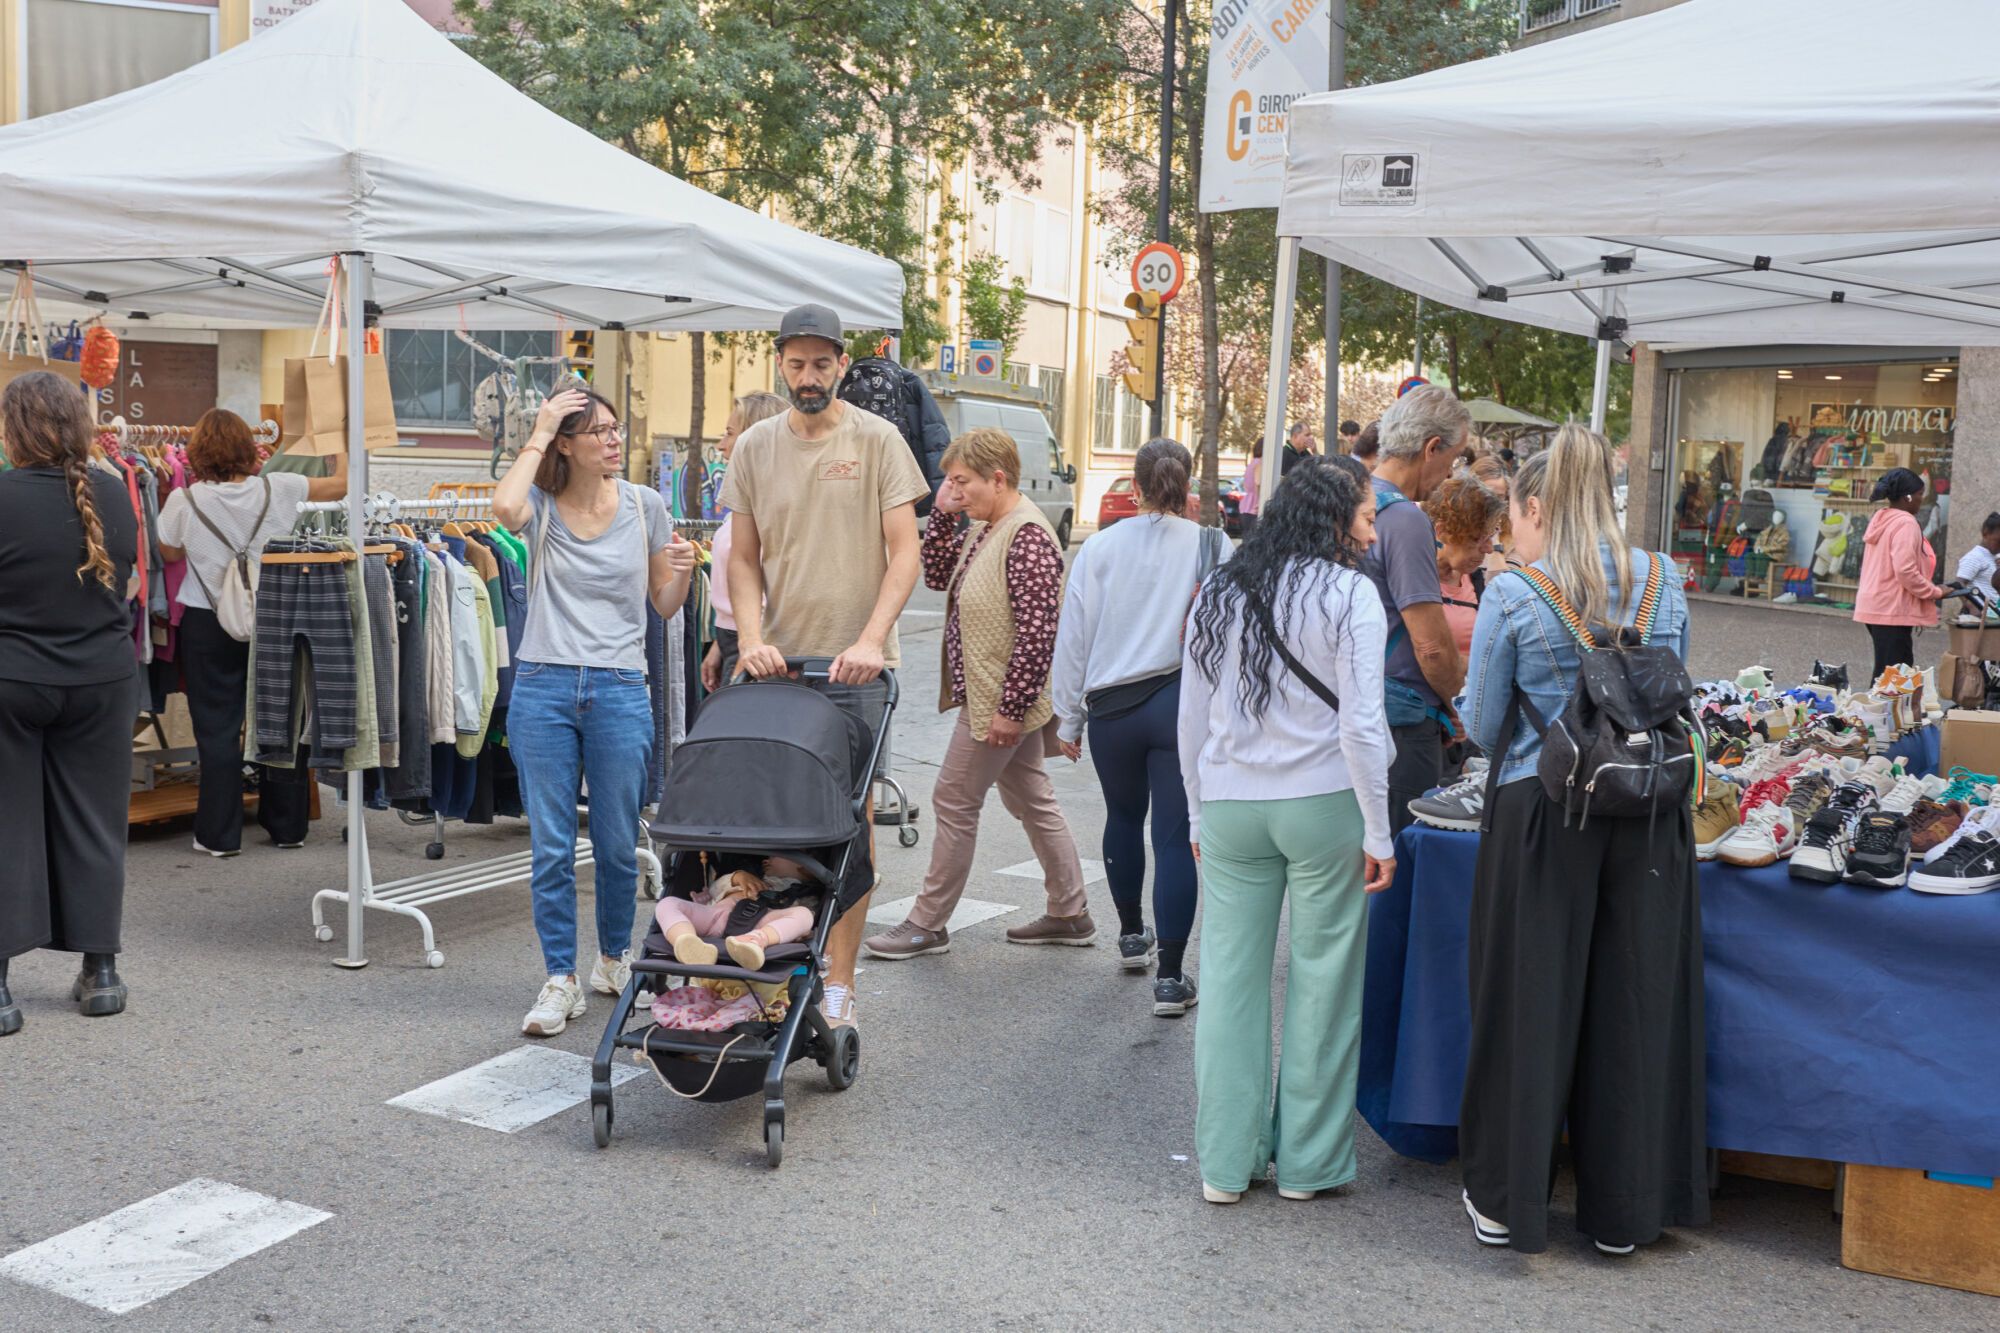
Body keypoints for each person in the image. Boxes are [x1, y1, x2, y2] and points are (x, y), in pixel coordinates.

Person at [1457, 423, 1704, 1256]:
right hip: (1650, 812)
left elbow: (1483, 723)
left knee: (1528, 1001)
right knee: (1633, 1003)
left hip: (1546, 806)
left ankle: (1507, 1200)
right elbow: (1673, 695)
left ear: (1538, 504)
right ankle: (1624, 1211)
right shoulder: (1665, 581)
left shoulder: (1517, 593)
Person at [1178, 457, 1394, 1203]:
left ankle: (1225, 1164)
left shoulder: (1221, 588)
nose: (1373, 533)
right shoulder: (1351, 594)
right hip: (1324, 802)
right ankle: (1308, 1163)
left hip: (1231, 802)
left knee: (1229, 982)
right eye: (1366, 517)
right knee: (1325, 980)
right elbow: (1361, 726)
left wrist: (1196, 809)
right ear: (1334, 519)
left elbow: (1192, 716)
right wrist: (1379, 830)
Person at [724, 303, 928, 1030]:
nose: (808, 377)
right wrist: (751, 638)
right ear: (780, 365)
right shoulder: (755, 447)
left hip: (857, 671)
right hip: (780, 667)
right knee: (777, 821)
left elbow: (904, 552)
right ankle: (779, 959)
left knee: (851, 821)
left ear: (842, 364)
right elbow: (742, 558)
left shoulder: (877, 440)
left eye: (820, 364)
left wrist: (871, 639)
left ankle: (841, 979)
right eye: (796, 364)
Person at [494, 383, 697, 1037]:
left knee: (616, 844)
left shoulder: (644, 504)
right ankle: (560, 978)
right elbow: (502, 508)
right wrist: (540, 428)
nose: (614, 440)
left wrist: (683, 569)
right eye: (598, 431)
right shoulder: (540, 503)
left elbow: (664, 602)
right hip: (544, 684)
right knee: (552, 846)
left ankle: (613, 959)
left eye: (616, 429)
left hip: (619, 686)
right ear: (566, 445)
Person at [863, 427, 1091, 960]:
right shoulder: (989, 526)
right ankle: (1070, 912)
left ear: (998, 478)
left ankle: (927, 923)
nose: (955, 490)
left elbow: (1039, 633)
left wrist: (1011, 709)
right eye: (950, 481)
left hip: (999, 702)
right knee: (1031, 797)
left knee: (953, 799)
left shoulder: (1027, 537)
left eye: (962, 481)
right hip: (994, 696)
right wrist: (944, 514)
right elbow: (938, 575)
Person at [1049, 437, 1230, 1014]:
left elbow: (1073, 638)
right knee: (1174, 836)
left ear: (1135, 486)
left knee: (1122, 818)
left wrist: (1068, 717)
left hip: (1113, 709)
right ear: (1188, 483)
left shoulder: (1100, 548)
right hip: (1181, 705)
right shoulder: (1213, 544)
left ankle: (1131, 936)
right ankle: (1171, 978)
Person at [0, 371, 142, 1033]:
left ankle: (0, 988)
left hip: (12, 676)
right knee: (95, 823)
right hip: (102, 680)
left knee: (6, 825)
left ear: (15, 429)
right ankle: (101, 971)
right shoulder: (113, 494)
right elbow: (128, 584)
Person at [156, 409, 347, 857]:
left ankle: (219, 836)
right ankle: (288, 826)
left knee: (217, 729)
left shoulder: (184, 500)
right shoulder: (279, 487)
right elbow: (340, 486)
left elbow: (169, 551)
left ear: (197, 453)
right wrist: (336, 435)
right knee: (280, 720)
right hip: (274, 617)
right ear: (248, 448)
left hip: (207, 620)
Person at [1362, 386, 1470, 835]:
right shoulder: (1405, 519)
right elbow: (1430, 646)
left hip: (1354, 708)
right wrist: (1459, 704)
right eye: (1454, 459)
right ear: (1431, 448)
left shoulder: (1352, 500)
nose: (1450, 473)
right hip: (1402, 723)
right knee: (1399, 855)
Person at [700, 391, 788, 692]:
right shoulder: (748, 499)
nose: (721, 445)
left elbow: (774, 590)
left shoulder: (776, 505)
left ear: (755, 437)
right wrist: (719, 645)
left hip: (758, 645)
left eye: (729, 433)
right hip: (735, 640)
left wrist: (748, 648)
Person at [1853, 467, 1947, 682]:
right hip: (1891, 607)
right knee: (1893, 678)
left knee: (1888, 673)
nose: (1921, 499)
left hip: (1876, 603)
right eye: (1920, 494)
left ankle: (1878, 704)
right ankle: (1877, 705)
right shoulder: (1905, 523)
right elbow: (1906, 571)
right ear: (1907, 497)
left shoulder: (1882, 518)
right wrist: (1935, 592)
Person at [655, 855, 816, 972]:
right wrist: (737, 877)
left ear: (805, 867)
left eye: (776, 856)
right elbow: (714, 889)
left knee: (805, 915)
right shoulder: (752, 879)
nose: (767, 859)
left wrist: (801, 931)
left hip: (760, 923)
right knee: (668, 903)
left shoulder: (805, 893)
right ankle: (686, 940)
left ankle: (755, 942)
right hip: (716, 916)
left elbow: (803, 922)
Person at [1424, 474, 1509, 658]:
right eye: (1478, 538)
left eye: (1491, 537)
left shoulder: (1475, 579)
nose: (1488, 549)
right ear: (1443, 532)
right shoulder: (1414, 582)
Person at [1953, 510, 2000, 603]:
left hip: (1994, 610)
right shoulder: (1975, 557)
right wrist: (1971, 605)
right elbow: (1958, 584)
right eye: (1999, 541)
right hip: (1980, 610)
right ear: (1985, 533)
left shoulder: (1995, 557)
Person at [1237, 441, 1262, 539]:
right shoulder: (1260, 463)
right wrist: (1260, 501)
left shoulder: (1252, 463)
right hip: (1254, 508)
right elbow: (1258, 482)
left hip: (1245, 506)